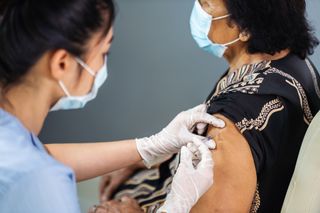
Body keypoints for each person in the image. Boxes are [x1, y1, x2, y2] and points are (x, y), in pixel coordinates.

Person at [0, 0, 226, 212]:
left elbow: (40, 155)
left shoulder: (13, 137)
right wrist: (174, 207)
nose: (103, 65)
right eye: (103, 52)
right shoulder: (40, 183)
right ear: (62, 63)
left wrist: (149, 146)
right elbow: (36, 170)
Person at [99, 0, 320, 212]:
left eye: (205, 4)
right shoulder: (292, 64)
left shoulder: (228, 128)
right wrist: (150, 157)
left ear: (244, 27)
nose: (197, 9)